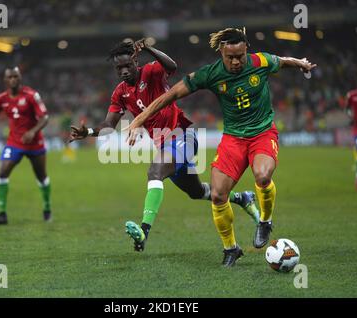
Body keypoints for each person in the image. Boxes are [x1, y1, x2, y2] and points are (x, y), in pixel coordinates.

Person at [124, 28, 317, 266]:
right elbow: (170, 95)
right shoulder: (210, 74)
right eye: (230, 57)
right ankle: (231, 249)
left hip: (262, 133)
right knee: (216, 194)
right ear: (222, 53)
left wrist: (301, 63)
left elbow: (282, 61)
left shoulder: (260, 61)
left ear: (246, 50)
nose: (236, 61)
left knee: (263, 175)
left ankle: (265, 221)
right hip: (233, 138)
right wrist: (137, 120)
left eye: (240, 56)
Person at [69, 39, 259, 252]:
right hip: (164, 144)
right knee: (196, 192)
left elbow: (172, 66)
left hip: (182, 135)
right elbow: (108, 126)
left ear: (135, 61)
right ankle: (242, 197)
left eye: (127, 66)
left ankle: (144, 231)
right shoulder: (120, 93)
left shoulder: (150, 72)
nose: (123, 71)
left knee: (155, 171)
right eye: (118, 68)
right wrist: (90, 132)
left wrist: (149, 48)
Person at [0, 67, 52, 225]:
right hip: (14, 143)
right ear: (5, 80)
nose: (13, 79)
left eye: (16, 76)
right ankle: (2, 213)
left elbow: (45, 118)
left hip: (35, 143)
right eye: (10, 77)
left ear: (20, 78)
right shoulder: (1, 99)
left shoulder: (31, 96)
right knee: (2, 172)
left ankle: (47, 208)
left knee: (41, 176)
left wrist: (33, 131)